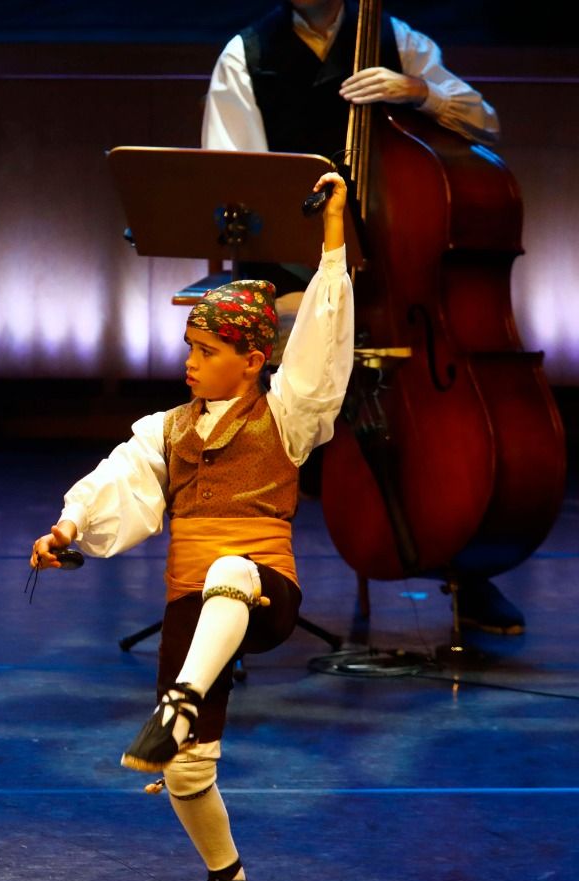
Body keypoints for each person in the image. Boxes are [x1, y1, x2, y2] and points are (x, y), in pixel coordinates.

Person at [31, 172, 352, 881]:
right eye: (189, 348)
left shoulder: (288, 415)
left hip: (264, 593)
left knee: (231, 570)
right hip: (191, 611)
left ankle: (176, 705)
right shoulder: (167, 430)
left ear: (250, 358)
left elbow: (323, 334)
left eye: (206, 351)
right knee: (185, 770)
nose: (190, 362)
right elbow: (120, 481)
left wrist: (334, 234)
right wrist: (68, 528)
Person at [201, 1, 520, 635]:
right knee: (262, 410)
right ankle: (241, 583)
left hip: (402, 281)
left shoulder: (397, 39)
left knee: (427, 428)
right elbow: (233, 183)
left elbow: (486, 121)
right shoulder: (247, 55)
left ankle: (462, 564)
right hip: (297, 275)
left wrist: (420, 92)